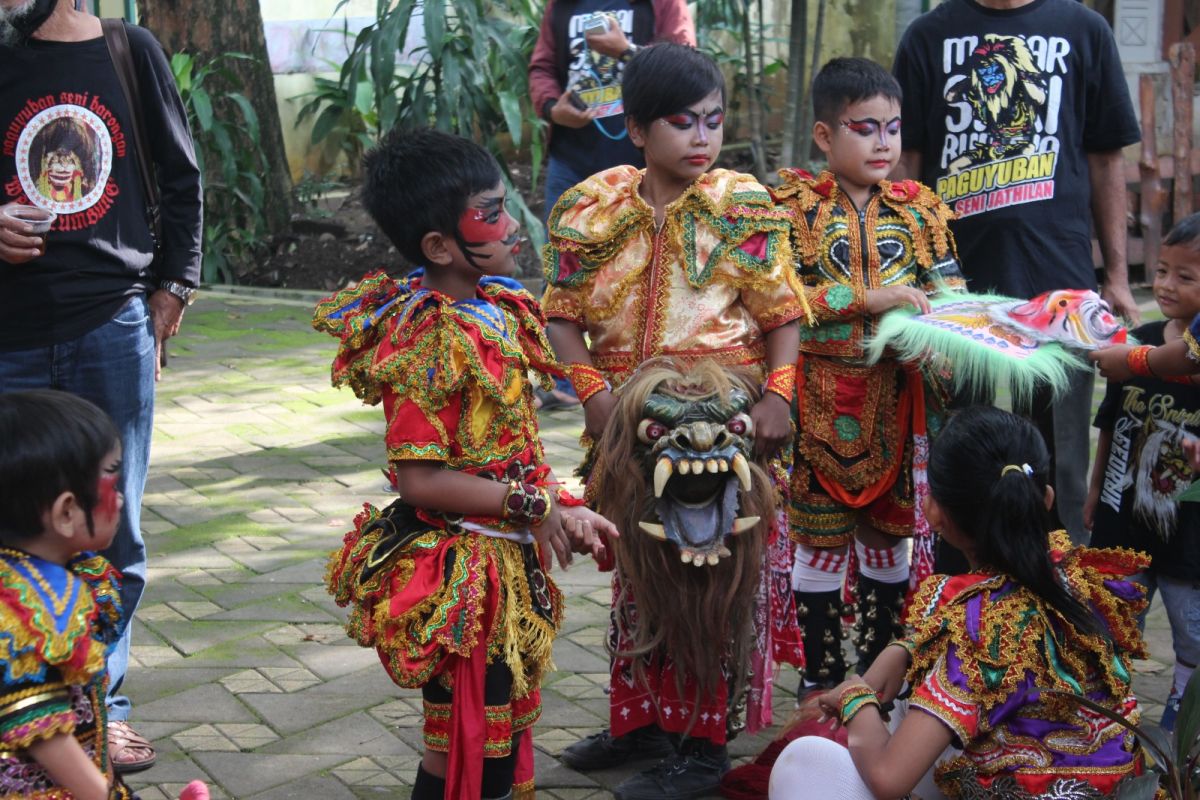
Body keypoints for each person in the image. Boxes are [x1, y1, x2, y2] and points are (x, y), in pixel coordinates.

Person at [313, 128, 617, 800]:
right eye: (491, 213)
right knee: (468, 753)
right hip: (464, 581)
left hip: (505, 567)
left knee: (491, 748)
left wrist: (565, 506)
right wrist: (535, 508)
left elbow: (514, 449)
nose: (513, 225)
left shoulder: (497, 308)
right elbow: (420, 480)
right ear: (439, 246)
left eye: (505, 205)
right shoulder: (426, 335)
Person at [542, 42, 809, 800]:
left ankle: (700, 746)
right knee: (635, 569)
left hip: (720, 430)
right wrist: (595, 398)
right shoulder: (591, 208)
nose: (702, 138)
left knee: (707, 577)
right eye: (682, 122)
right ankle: (641, 726)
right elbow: (560, 318)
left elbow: (783, 314)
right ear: (635, 129)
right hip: (629, 426)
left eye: (714, 121)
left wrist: (780, 397)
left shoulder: (743, 206)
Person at [0, 0, 203, 774]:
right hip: (6, 334)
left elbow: (182, 177)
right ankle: (18, 701)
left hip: (108, 329)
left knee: (109, 529)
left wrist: (174, 287)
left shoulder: (128, 50)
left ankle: (99, 708)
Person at [769, 406, 1151, 800]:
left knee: (803, 763)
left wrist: (853, 696)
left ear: (933, 512)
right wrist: (904, 650)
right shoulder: (1080, 577)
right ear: (1047, 499)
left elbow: (888, 777)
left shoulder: (983, 624)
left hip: (1028, 786)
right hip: (1111, 787)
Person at [892, 0, 1142, 546]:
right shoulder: (928, 36)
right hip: (953, 287)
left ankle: (1063, 579)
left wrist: (1117, 276)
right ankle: (964, 583)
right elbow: (905, 162)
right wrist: (900, 264)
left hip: (1062, 288)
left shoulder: (1084, 30)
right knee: (962, 444)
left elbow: (1106, 159)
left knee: (1065, 454)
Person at [773, 57, 964, 687]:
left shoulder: (921, 212)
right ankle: (822, 675)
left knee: (891, 542)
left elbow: (952, 302)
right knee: (820, 543)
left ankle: (879, 671)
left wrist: (942, 344)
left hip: (898, 402)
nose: (884, 143)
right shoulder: (790, 210)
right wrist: (869, 299)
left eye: (893, 127)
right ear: (825, 136)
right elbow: (777, 304)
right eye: (865, 128)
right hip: (816, 403)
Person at [0, 390, 209, 800]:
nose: (121, 495)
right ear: (66, 513)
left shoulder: (73, 576)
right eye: (112, 478)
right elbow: (39, 727)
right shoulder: (24, 609)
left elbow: (88, 699)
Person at [1085, 212, 1200, 733]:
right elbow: (1109, 427)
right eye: (1161, 270)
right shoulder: (1140, 340)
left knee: (1191, 630)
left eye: (1185, 276)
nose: (1166, 285)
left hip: (1189, 532)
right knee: (1108, 620)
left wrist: (1132, 360)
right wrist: (1093, 493)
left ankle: (1183, 714)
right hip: (1121, 518)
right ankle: (1107, 713)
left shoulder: (1143, 356)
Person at [528, 0, 695, 219]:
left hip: (645, 165)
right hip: (571, 160)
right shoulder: (561, 5)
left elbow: (686, 65)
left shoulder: (664, 3)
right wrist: (553, 108)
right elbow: (542, 67)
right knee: (561, 248)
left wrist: (625, 51)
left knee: (644, 248)